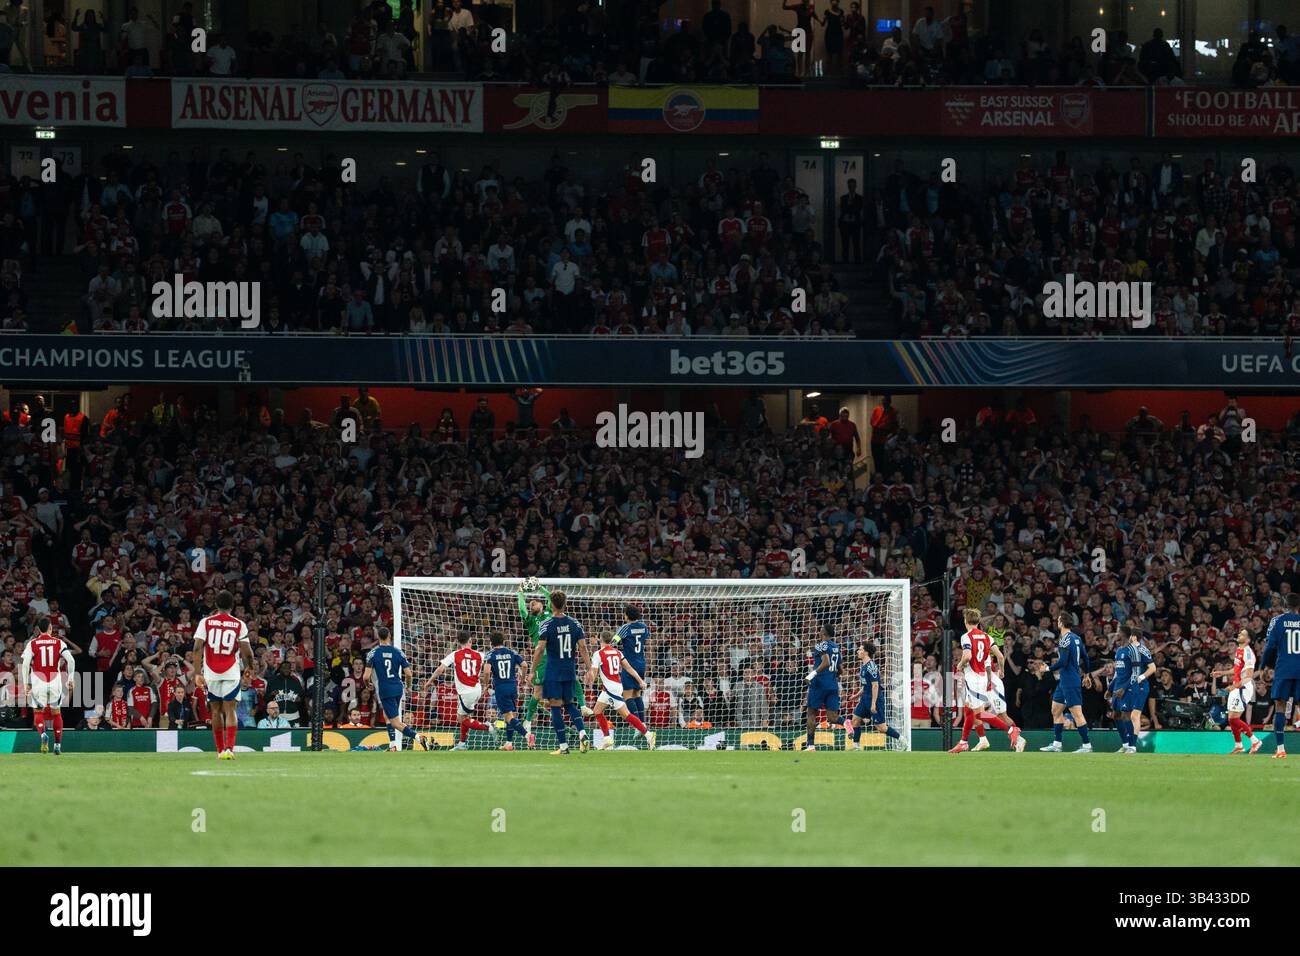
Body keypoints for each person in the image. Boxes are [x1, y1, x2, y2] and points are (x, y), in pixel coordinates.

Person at [191, 589, 253, 760]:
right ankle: (230, 749)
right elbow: (247, 652)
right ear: (232, 606)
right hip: (231, 671)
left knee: (215, 711)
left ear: (216, 604)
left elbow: (197, 649)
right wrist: (250, 668)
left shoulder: (206, 622)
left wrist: (197, 673)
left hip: (211, 672)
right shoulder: (239, 624)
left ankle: (219, 751)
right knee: (230, 709)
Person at [531, 589, 591, 755]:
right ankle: (583, 734)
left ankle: (564, 747)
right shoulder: (575, 624)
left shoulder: (546, 624)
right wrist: (590, 668)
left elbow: (539, 649)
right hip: (569, 670)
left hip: (553, 671)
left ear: (551, 604)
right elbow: (583, 648)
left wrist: (532, 671)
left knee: (556, 708)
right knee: (570, 704)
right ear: (565, 604)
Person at [424, 629, 494, 750]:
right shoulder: (480, 655)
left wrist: (429, 681)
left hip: (466, 692)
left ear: (458, 642)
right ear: (470, 641)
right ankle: (462, 744)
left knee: (460, 718)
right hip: (477, 689)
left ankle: (488, 727)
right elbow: (490, 665)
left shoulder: (455, 654)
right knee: (465, 717)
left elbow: (440, 669)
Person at [364, 625, 427, 751]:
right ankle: (393, 745)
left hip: (385, 690)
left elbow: (366, 676)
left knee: (395, 722)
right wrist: (408, 686)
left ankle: (419, 738)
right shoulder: (398, 652)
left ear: (378, 637)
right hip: (398, 688)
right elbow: (409, 673)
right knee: (388, 715)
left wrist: (368, 685)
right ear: (389, 637)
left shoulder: (373, 653)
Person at [1036, 613, 1092, 753]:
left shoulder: (1065, 639)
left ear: (1061, 623)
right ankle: (1057, 744)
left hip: (1070, 681)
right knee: (1055, 710)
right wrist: (1087, 674)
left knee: (1076, 713)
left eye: (1058, 620)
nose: (1057, 621)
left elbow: (1063, 661)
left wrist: (1047, 668)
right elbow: (1085, 657)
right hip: (1065, 681)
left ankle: (1087, 745)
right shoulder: (1077, 638)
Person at [588, 630, 654, 750]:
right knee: (597, 711)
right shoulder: (618, 652)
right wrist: (640, 681)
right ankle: (607, 739)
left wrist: (589, 678)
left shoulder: (598, 654)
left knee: (626, 715)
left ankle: (648, 734)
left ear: (600, 639)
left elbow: (594, 673)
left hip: (611, 688)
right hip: (612, 687)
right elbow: (629, 668)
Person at [20, 617, 76, 755]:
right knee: (56, 712)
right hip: (54, 681)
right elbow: (71, 660)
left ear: (38, 629)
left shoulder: (32, 643)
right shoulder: (58, 642)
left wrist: (25, 682)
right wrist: (70, 678)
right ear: (50, 628)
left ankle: (43, 734)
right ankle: (57, 745)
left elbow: (26, 664)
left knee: (38, 712)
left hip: (38, 681)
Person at [1261, 592, 1300, 759]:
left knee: (1281, 707)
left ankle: (1281, 749)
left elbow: (1270, 647)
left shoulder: (1277, 621)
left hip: (1283, 669)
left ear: (1284, 605)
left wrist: (1263, 666)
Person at [1211, 627, 1260, 755]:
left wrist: (1235, 686)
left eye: (1242, 634)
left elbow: (1249, 675)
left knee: (1234, 718)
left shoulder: (1248, 653)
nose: (1239, 634)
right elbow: (1237, 669)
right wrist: (1222, 673)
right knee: (1231, 718)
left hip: (1243, 687)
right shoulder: (1239, 650)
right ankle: (1239, 745)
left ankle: (1255, 741)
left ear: (1248, 639)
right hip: (1237, 686)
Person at [848, 641, 902, 750]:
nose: (858, 651)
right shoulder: (863, 666)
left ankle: (902, 740)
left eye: (860, 649)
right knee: (855, 720)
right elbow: (866, 685)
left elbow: (875, 686)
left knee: (881, 727)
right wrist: (857, 696)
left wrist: (873, 704)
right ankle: (856, 746)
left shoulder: (871, 667)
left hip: (875, 699)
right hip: (865, 698)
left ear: (866, 652)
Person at [482, 630, 526, 749]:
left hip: (501, 687)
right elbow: (524, 665)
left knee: (509, 716)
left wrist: (486, 684)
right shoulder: (512, 652)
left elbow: (486, 671)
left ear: (491, 642)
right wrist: (523, 679)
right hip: (513, 687)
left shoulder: (490, 654)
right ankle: (509, 743)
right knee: (510, 715)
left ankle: (527, 735)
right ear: (503, 641)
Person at [803, 623, 840, 751]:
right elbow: (839, 669)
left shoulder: (820, 645)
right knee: (832, 717)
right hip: (833, 684)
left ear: (823, 633)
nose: (818, 632)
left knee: (811, 713)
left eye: (820, 630)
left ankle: (811, 745)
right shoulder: (836, 647)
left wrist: (811, 675)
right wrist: (831, 677)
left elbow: (826, 662)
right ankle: (846, 723)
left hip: (819, 684)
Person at [614, 604, 651, 727]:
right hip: (641, 663)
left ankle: (636, 725)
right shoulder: (644, 627)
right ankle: (643, 723)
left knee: (627, 695)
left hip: (629, 664)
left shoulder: (625, 627)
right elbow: (646, 640)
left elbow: (614, 641)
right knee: (637, 694)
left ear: (627, 615)